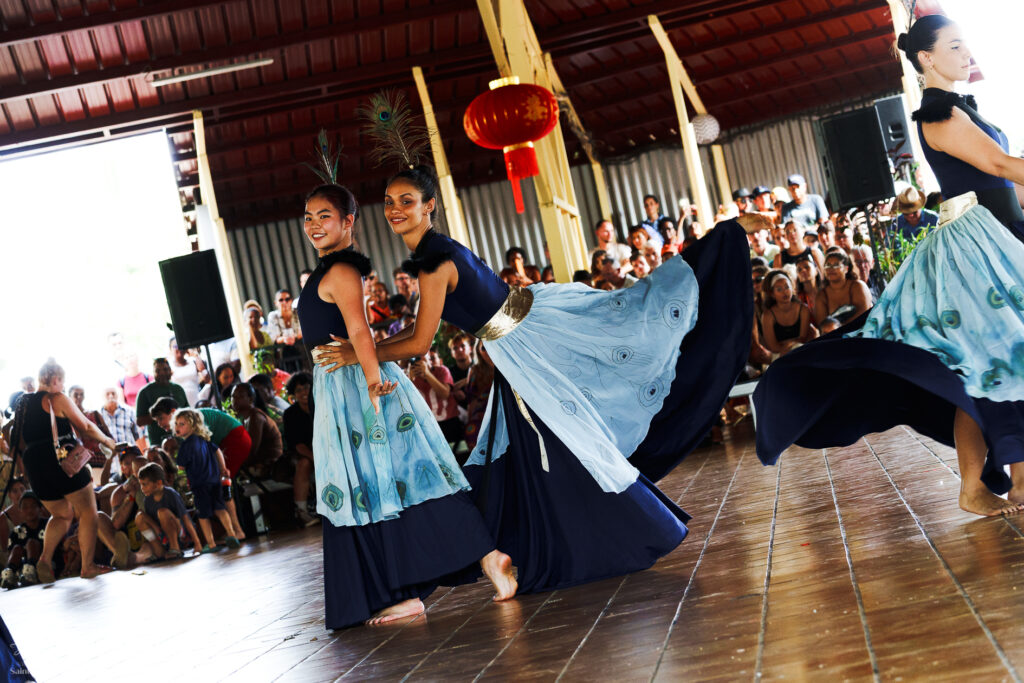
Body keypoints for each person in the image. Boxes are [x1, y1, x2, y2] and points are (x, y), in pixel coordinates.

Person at [314, 164, 768, 594]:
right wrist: (361, 352)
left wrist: (357, 353)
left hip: (527, 342)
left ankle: (728, 236)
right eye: (390, 202)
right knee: (536, 451)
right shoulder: (431, 252)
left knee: (628, 331)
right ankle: (533, 549)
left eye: (406, 201)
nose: (395, 210)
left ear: (428, 205)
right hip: (520, 339)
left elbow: (418, 345)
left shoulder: (433, 261)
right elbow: (418, 335)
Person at [753, 14, 1024, 517]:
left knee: (997, 364)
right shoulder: (939, 115)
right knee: (989, 364)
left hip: (1004, 239)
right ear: (926, 58)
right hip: (977, 251)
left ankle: (1010, 481)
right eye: (956, 46)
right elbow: (1003, 168)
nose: (968, 54)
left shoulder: (963, 110)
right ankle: (981, 486)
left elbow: (1011, 183)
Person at [298, 181, 515, 628]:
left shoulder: (341, 271)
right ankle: (414, 588)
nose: (314, 224)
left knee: (405, 483)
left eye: (324, 215)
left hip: (358, 390)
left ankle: (484, 560)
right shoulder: (330, 270)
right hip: (341, 389)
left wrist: (375, 384)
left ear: (347, 222)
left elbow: (360, 333)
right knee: (382, 490)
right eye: (309, 216)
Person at [7, 359, 130, 582]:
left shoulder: (24, 403)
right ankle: (88, 566)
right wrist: (108, 442)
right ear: (55, 380)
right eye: (62, 382)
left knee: (62, 514)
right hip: (61, 459)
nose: (63, 387)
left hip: (35, 465)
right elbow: (85, 426)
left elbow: (14, 435)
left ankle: (44, 559)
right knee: (88, 512)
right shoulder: (57, 398)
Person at [147, 397, 249, 540]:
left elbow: (208, 450)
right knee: (220, 488)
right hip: (229, 441)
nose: (159, 424)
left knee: (222, 487)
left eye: (161, 418)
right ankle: (232, 530)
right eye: (157, 421)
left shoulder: (191, 421)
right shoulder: (185, 427)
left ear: (173, 412)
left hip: (234, 439)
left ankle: (237, 531)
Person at [172, 408, 241, 552]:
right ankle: (231, 534)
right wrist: (223, 468)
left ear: (193, 425)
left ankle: (211, 544)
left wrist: (178, 470)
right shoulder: (204, 441)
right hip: (214, 481)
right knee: (220, 508)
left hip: (199, 484)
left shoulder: (185, 446)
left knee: (203, 515)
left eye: (182, 424)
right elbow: (218, 451)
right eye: (177, 424)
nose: (177, 427)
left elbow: (181, 466)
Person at [135, 463, 202, 559]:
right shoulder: (147, 500)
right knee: (139, 516)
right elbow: (151, 520)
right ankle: (159, 550)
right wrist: (156, 529)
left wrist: (197, 543)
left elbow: (185, 518)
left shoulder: (171, 494)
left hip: (180, 535)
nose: (142, 488)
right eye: (140, 484)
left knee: (162, 512)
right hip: (162, 534)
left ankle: (175, 548)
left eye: (145, 484)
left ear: (158, 483)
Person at [283, 372, 318, 527]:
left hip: (326, 449)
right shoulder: (290, 414)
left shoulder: (321, 405)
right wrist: (316, 458)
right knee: (304, 464)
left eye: (306, 388)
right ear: (294, 394)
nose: (304, 392)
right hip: (300, 454)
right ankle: (302, 511)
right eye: (298, 390)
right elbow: (297, 445)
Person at [230, 383, 283, 479]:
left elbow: (251, 449)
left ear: (250, 399)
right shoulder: (246, 418)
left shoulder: (256, 417)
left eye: (240, 396)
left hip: (272, 466)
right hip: (260, 463)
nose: (235, 400)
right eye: (233, 396)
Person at [760, 271, 816, 357]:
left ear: (792, 288)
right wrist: (789, 346)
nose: (784, 292)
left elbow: (803, 338)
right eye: (779, 289)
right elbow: (773, 347)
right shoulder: (768, 315)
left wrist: (789, 344)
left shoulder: (803, 309)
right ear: (772, 294)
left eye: (787, 287)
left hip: (800, 350)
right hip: (779, 354)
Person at [136, 358, 189, 446]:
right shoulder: (145, 392)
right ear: (153, 372)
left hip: (181, 440)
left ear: (170, 370)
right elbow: (139, 421)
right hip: (158, 442)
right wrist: (160, 416)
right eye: (158, 370)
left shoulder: (178, 389)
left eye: (165, 369)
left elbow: (187, 412)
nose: (162, 373)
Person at [813, 250, 871, 326]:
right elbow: (823, 325)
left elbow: (863, 314)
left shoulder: (858, 286)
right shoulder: (822, 295)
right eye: (828, 265)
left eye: (836, 265)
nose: (831, 269)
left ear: (846, 269)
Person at [1, 490, 45, 589]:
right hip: (22, 570)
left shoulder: (48, 525)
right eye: (25, 507)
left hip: (45, 565)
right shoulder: (16, 532)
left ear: (40, 508)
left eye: (33, 506)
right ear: (20, 511)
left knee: (31, 543)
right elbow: (10, 552)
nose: (29, 510)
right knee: (16, 548)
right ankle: (9, 574)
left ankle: (31, 571)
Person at [169, 337, 206, 408]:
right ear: (170, 349)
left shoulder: (193, 361)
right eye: (176, 346)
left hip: (196, 401)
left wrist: (197, 357)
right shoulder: (169, 365)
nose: (179, 348)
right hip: (179, 404)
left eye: (181, 345)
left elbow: (207, 379)